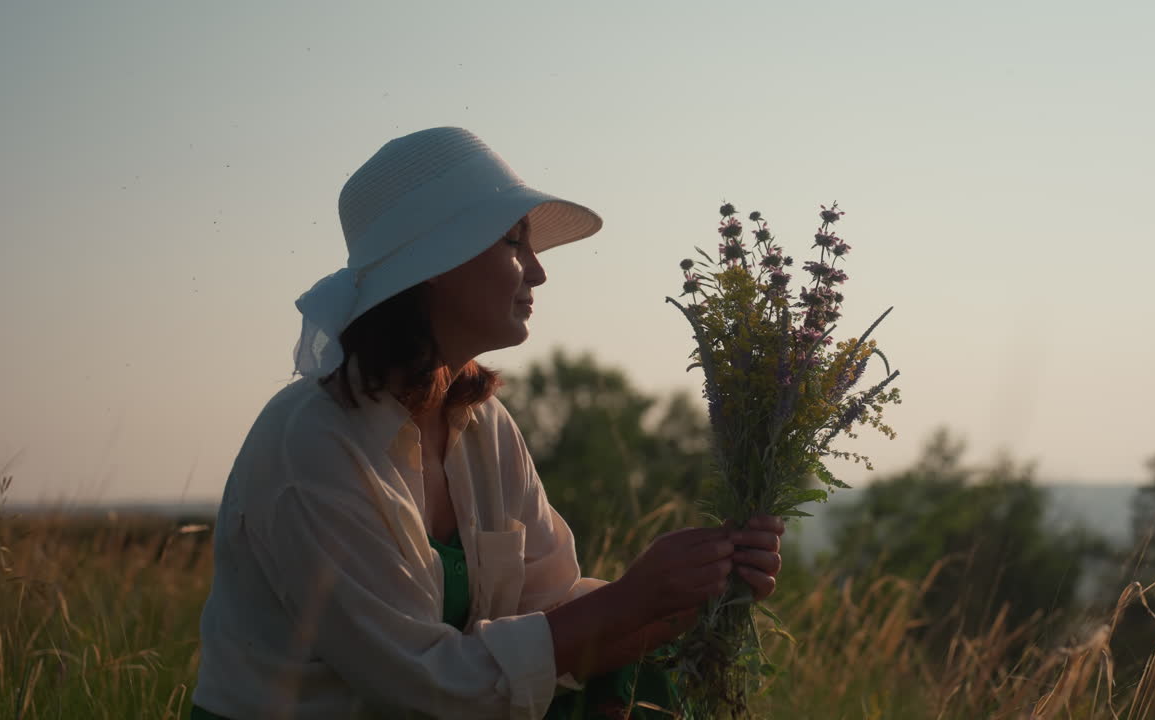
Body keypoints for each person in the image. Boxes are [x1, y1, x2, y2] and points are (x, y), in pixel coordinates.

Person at [190, 127, 784, 720]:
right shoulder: (312, 445)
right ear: (433, 266)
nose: (537, 271)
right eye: (512, 242)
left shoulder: (482, 425)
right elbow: (423, 686)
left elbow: (552, 610)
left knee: (634, 673)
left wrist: (699, 596)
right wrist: (634, 598)